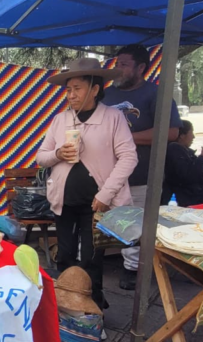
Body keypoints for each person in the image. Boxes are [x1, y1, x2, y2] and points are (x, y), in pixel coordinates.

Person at [37, 58, 137, 310]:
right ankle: (64, 308)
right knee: (66, 256)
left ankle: (92, 311)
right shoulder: (61, 120)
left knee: (92, 259)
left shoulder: (113, 118)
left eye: (77, 88)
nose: (70, 95)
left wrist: (105, 194)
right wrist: (58, 154)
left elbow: (128, 157)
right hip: (64, 201)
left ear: (95, 89)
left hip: (96, 205)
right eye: (68, 89)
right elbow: (41, 156)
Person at [102, 44, 182, 291]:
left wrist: (123, 138)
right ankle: (100, 261)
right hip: (107, 175)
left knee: (137, 223)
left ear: (141, 68)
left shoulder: (157, 95)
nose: (118, 69)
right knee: (106, 220)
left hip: (142, 174)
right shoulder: (107, 96)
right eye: (116, 64)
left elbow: (171, 132)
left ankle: (134, 270)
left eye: (124, 64)